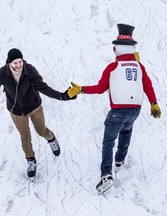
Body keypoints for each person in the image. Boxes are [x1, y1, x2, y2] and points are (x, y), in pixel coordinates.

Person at [67, 24, 161, 194]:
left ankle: (106, 175)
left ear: (117, 48)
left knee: (108, 141)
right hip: (134, 110)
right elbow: (147, 85)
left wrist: (81, 89)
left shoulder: (112, 68)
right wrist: (154, 103)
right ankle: (119, 161)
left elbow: (100, 87)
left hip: (118, 111)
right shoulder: (140, 67)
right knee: (126, 132)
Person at [0, 48, 74, 178]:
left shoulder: (29, 70)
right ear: (9, 63)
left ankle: (51, 138)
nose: (18, 66)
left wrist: (62, 96)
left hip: (34, 107)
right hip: (16, 111)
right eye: (15, 63)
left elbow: (42, 87)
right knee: (25, 136)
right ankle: (30, 160)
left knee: (41, 131)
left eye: (20, 62)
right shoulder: (1, 74)